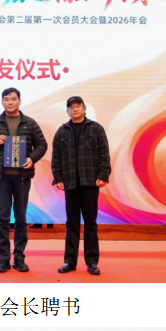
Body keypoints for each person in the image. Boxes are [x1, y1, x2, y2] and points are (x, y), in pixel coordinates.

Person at [0, 88, 48, 273]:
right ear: (2, 102)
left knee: (21, 217)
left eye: (13, 99)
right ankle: (4, 258)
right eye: (6, 99)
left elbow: (42, 144)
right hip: (1, 176)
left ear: (19, 101)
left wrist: (32, 158)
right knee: (3, 217)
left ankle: (19, 258)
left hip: (22, 176)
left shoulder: (29, 123)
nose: (10, 102)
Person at [52, 96, 111, 276]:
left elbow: (104, 154)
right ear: (67, 111)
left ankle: (92, 262)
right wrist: (58, 177)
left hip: (90, 182)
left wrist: (103, 175)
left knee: (91, 223)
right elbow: (56, 157)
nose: (75, 109)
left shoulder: (96, 128)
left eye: (78, 106)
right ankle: (69, 261)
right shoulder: (62, 131)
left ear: (84, 109)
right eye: (71, 107)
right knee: (72, 224)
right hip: (70, 183)